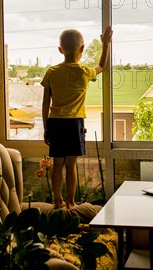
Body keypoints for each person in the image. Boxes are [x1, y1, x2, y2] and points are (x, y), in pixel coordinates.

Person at [41, 26, 112, 209]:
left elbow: (45, 104)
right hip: (74, 123)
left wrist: (46, 127)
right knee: (71, 163)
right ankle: (71, 201)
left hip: (55, 122)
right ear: (82, 49)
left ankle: (58, 200)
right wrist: (105, 45)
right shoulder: (84, 72)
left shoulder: (51, 72)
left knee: (57, 163)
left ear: (60, 50)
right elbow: (102, 66)